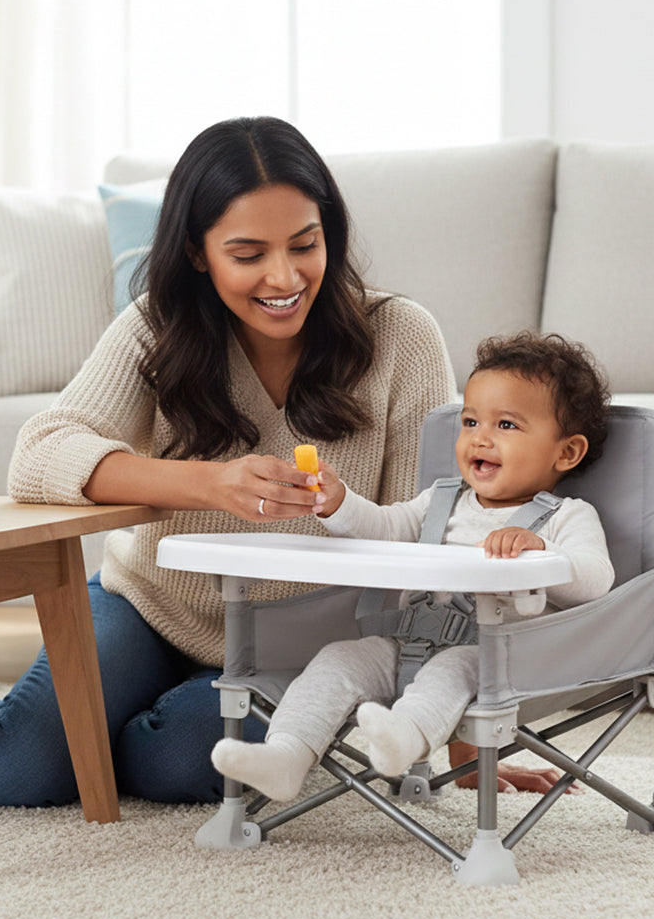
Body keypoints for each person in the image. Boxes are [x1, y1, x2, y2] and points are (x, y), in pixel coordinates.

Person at [0, 116, 458, 805]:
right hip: (150, 609)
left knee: (176, 765)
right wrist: (212, 484)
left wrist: (451, 731)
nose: (284, 276)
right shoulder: (159, 326)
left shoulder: (402, 337)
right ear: (198, 251)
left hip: (299, 646)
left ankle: (75, 729)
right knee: (19, 771)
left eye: (305, 244)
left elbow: (437, 531)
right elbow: (40, 454)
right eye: (248, 254)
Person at [211, 331, 615, 802]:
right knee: (337, 658)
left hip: (495, 660)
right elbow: (382, 527)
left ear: (566, 452)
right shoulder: (439, 501)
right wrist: (338, 503)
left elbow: (596, 579)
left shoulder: (567, 517)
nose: (480, 437)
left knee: (453, 670)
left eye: (506, 425)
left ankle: (404, 738)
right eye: (470, 421)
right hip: (408, 643)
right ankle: (286, 756)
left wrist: (541, 550)